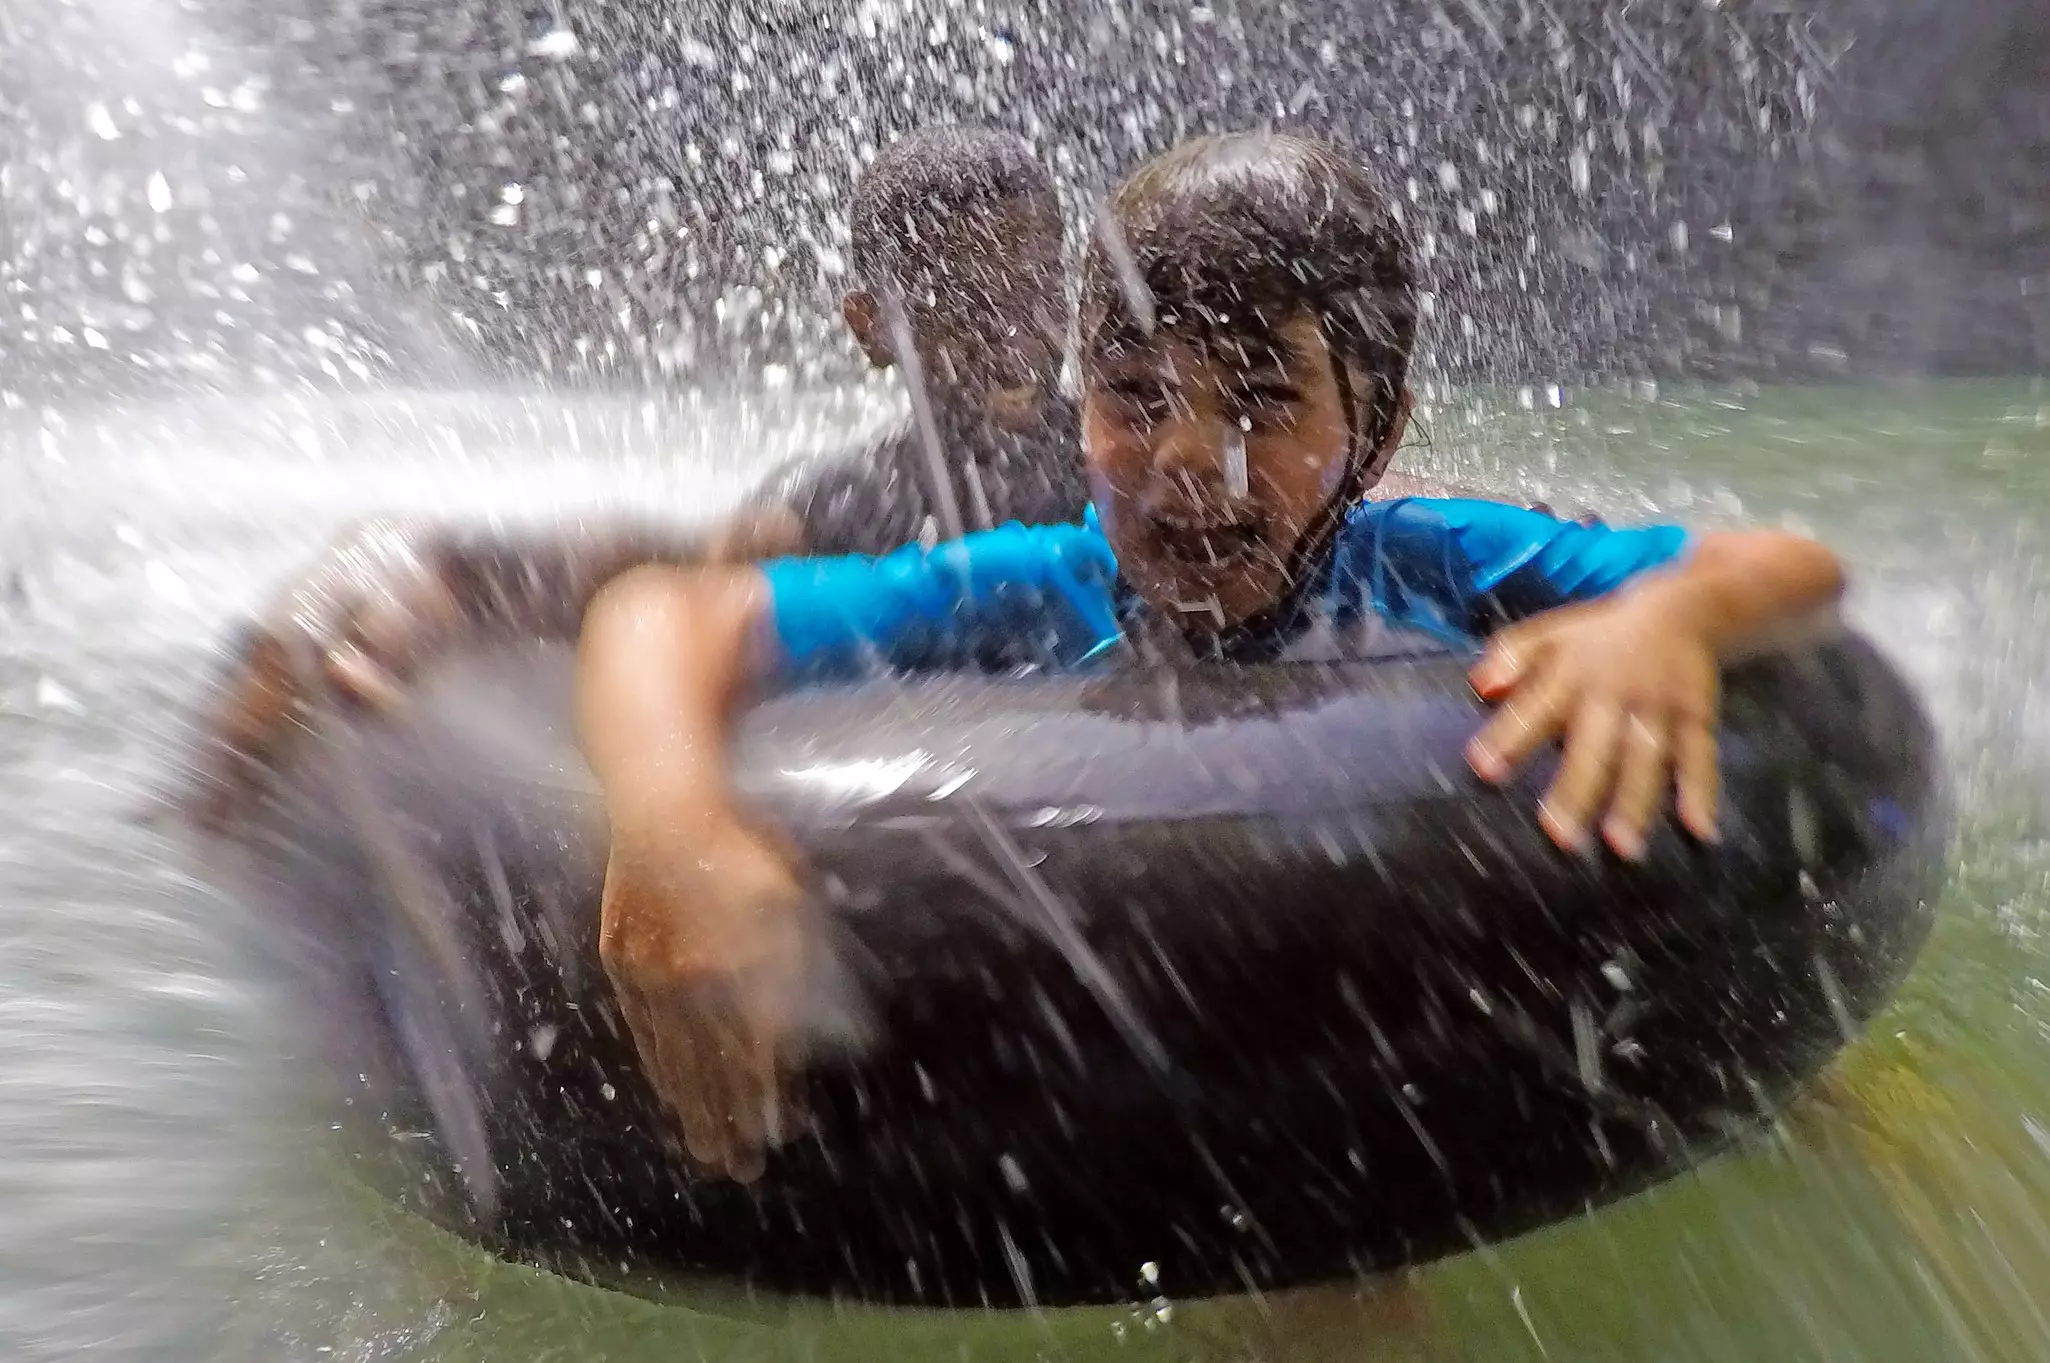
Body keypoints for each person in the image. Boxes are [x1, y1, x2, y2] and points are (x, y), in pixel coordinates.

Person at [572, 132, 1849, 1181]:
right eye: (1131, 393)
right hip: (1179, 1047)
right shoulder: (1042, 582)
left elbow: (1788, 566)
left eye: (1258, 399)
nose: (1187, 457)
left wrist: (1662, 622)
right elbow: (665, 614)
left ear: (1379, 428)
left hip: (1419, 1015)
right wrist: (673, 821)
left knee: (1812, 1104)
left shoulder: (1431, 564)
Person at [189, 124, 1087, 826]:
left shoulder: (1124, 465)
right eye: (957, 296)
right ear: (870, 327)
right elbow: (650, 578)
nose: (1012, 328)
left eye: (1037, 286)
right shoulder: (849, 506)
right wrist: (445, 576)